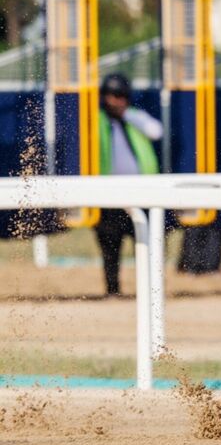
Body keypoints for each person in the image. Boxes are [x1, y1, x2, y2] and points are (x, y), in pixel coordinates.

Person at [95, 73, 163, 296]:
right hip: (108, 195)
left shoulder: (135, 116)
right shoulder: (96, 119)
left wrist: (126, 115)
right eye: (111, 96)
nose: (116, 100)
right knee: (110, 247)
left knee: (146, 245)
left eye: (120, 96)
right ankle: (113, 290)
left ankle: (149, 290)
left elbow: (156, 131)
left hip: (140, 193)